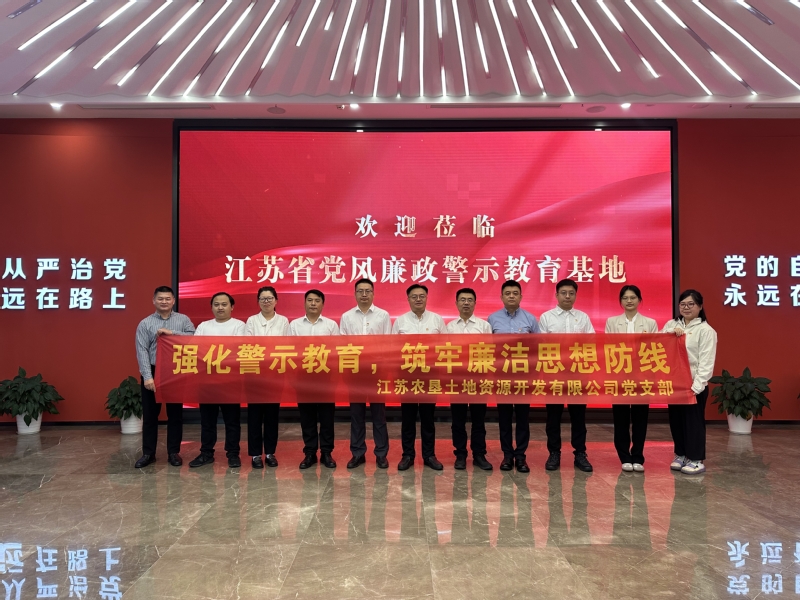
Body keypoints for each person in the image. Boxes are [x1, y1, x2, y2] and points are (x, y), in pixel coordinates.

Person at [134, 286, 196, 469]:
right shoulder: (145, 323)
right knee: (150, 416)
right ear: (154, 301)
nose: (164, 302)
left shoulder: (183, 320)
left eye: (167, 298)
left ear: (173, 301)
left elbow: (193, 338)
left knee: (175, 415)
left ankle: (173, 452)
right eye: (160, 298)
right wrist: (147, 376)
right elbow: (142, 351)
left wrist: (173, 333)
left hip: (176, 371)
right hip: (153, 371)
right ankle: (148, 453)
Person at [538, 279, 595, 473]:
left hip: (578, 375)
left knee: (578, 417)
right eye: (563, 293)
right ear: (556, 295)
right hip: (554, 375)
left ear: (576, 295)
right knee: (553, 417)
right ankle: (554, 453)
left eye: (571, 293)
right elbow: (541, 345)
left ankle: (580, 453)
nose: (567, 296)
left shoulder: (583, 317)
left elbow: (591, 343)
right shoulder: (546, 317)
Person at [392, 284, 447, 471]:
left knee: (428, 418)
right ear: (408, 299)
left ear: (426, 298)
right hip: (406, 375)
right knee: (407, 418)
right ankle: (407, 455)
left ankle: (429, 455)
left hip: (430, 375)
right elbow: (393, 348)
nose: (418, 299)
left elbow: (445, 346)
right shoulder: (400, 321)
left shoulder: (437, 320)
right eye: (414, 296)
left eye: (421, 296)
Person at [662, 289, 717, 475]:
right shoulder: (671, 324)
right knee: (676, 421)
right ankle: (681, 454)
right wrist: (670, 333)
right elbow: (658, 344)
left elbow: (706, 362)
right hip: (674, 385)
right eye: (683, 304)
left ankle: (695, 459)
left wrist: (697, 386)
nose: (686, 308)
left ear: (700, 306)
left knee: (693, 423)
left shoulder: (706, 330)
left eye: (691, 304)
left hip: (693, 385)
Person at [487, 280, 540, 473]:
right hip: (501, 376)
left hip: (523, 376)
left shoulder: (530, 319)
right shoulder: (492, 319)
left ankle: (521, 456)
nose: (511, 296)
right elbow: (487, 348)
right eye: (508, 293)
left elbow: (538, 348)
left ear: (521, 296)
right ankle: (507, 455)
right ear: (501, 297)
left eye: (515, 293)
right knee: (504, 417)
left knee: (523, 418)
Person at [189, 292, 246, 468]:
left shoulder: (239, 326)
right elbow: (195, 350)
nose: (220, 307)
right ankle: (206, 453)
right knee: (207, 421)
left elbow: (238, 350)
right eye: (216, 304)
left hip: (230, 381)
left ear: (232, 307)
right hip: (207, 382)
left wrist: (213, 353)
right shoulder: (203, 326)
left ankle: (233, 454)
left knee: (232, 421)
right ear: (212, 307)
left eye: (224, 304)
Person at [605, 285, 658, 473]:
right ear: (620, 301)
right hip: (620, 376)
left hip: (642, 377)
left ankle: (638, 456)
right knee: (620, 418)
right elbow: (608, 348)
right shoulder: (612, 322)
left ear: (639, 300)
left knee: (640, 418)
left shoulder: (650, 323)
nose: (629, 301)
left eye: (633, 297)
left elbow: (654, 349)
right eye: (625, 298)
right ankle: (624, 456)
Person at [339, 278, 392, 470]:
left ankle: (381, 454)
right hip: (355, 372)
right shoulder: (346, 316)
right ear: (354, 294)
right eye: (360, 291)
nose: (364, 294)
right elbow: (342, 344)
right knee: (356, 415)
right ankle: (357, 453)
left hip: (377, 372)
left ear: (373, 293)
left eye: (367, 291)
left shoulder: (383, 315)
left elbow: (388, 344)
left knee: (379, 415)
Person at [290, 289, 340, 469]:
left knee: (327, 417)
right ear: (304, 303)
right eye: (309, 300)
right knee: (307, 416)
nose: (313, 303)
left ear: (322, 304)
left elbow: (336, 351)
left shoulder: (331, 325)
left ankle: (326, 452)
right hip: (303, 376)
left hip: (325, 375)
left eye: (317, 300)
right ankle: (310, 452)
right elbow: (289, 350)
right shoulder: (295, 325)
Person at [446, 287, 493, 471]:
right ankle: (460, 454)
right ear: (456, 303)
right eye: (462, 300)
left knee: (478, 419)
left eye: (469, 300)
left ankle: (479, 454)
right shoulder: (449, 327)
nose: (466, 303)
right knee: (457, 420)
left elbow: (490, 352)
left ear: (475, 303)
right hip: (457, 380)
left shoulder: (484, 326)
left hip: (478, 379)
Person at [244, 286, 290, 469]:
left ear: (276, 301)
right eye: (262, 299)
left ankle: (270, 452)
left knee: (272, 415)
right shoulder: (251, 320)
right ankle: (255, 454)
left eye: (269, 298)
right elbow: (248, 344)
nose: (266, 302)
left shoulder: (283, 321)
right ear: (258, 302)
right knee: (254, 416)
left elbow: (285, 345)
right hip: (254, 373)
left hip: (274, 374)